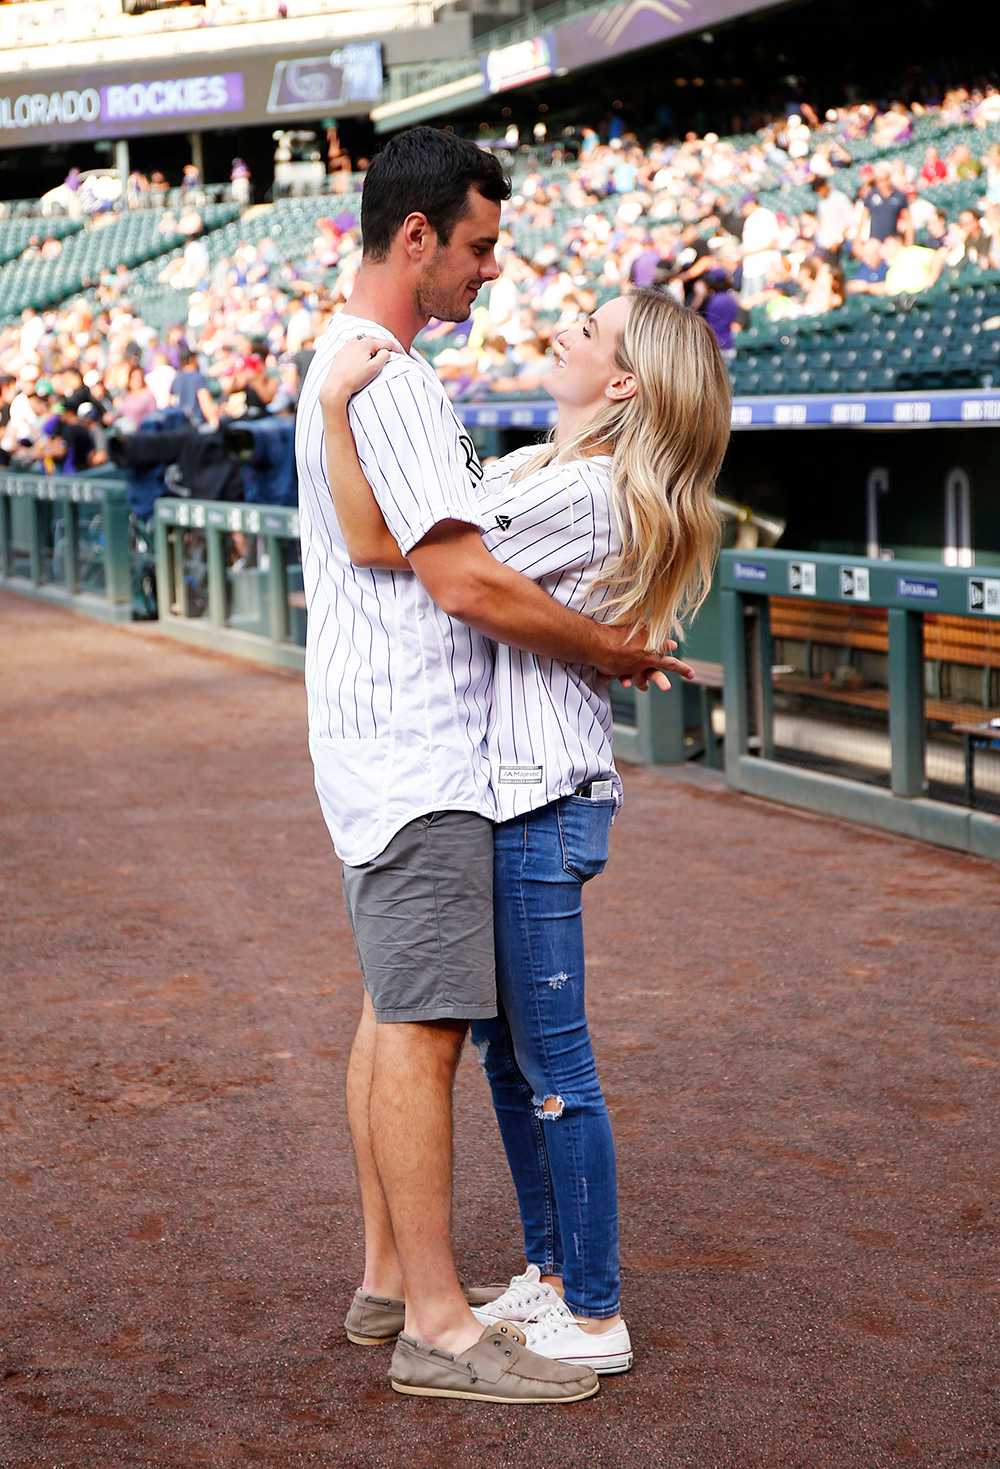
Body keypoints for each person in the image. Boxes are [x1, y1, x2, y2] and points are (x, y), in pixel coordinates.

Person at [295, 126, 684, 1406]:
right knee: (428, 1034)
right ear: (418, 237)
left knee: (457, 1037)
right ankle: (438, 1319)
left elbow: (391, 545)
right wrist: (618, 652)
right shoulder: (390, 377)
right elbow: (449, 569)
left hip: (460, 769)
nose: (492, 274)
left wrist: (618, 652)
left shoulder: (366, 373)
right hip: (425, 757)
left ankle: (444, 1286)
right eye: (476, 246)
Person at [172, 348, 218, 427]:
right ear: (192, 359)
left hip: (181, 423)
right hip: (196, 422)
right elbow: (204, 400)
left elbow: (172, 402)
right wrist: (214, 421)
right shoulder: (198, 377)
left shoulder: (176, 379)